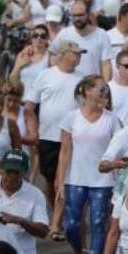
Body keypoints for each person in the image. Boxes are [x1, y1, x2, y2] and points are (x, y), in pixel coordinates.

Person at [53, 74, 119, 250]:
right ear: (87, 91)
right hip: (75, 179)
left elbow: (120, 147)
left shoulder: (111, 118)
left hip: (103, 181)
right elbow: (64, 152)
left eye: (106, 89)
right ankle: (79, 250)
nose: (105, 92)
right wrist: (60, 183)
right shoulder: (71, 117)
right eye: (101, 88)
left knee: (98, 224)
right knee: (71, 224)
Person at [24, 40, 85, 206]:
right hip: (48, 136)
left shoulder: (83, 79)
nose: (79, 57)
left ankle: (64, 219)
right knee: (50, 178)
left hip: (73, 138)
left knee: (67, 179)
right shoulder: (45, 75)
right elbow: (29, 107)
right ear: (63, 54)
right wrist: (33, 132)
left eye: (80, 54)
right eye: (75, 53)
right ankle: (57, 214)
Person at [0, 149, 48, 254]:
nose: (11, 177)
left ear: (25, 172)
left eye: (16, 172)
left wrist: (20, 221)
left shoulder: (36, 194)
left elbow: (43, 232)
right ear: (1, 169)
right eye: (8, 171)